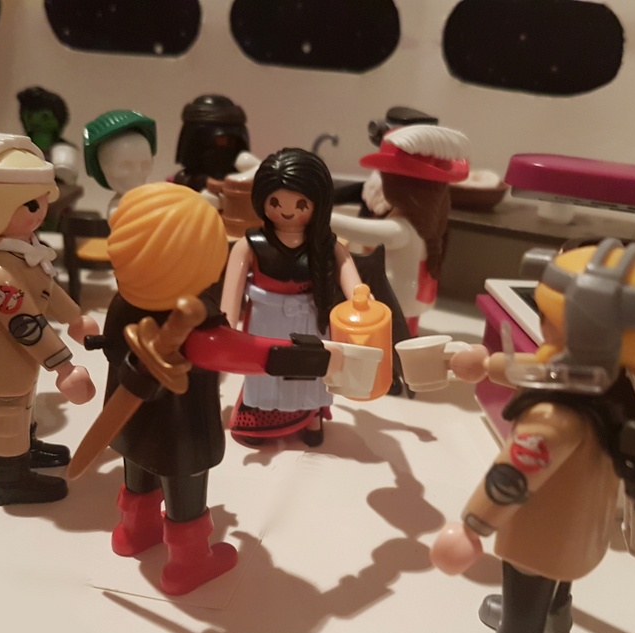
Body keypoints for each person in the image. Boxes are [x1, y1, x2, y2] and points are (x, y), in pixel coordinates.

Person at [430, 239, 635, 633]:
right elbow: (543, 368)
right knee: (554, 577)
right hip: (582, 525)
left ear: (587, 327)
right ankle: (551, 623)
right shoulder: (616, 384)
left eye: (550, 318)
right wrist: (486, 365)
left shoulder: (554, 417)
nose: (542, 323)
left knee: (527, 575)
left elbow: (512, 476)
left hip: (542, 528)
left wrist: (473, 527)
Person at [92, 181, 375, 594]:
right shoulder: (195, 325)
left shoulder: (122, 303)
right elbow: (252, 354)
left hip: (129, 421)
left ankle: (135, 531)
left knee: (137, 467)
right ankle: (188, 562)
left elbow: (113, 348)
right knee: (184, 488)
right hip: (180, 432)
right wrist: (319, 358)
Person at [0, 133, 96, 505]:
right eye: (30, 205)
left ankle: (26, 449)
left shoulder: (20, 251)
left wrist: (74, 317)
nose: (41, 213)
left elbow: (46, 289)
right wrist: (63, 366)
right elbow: (25, 323)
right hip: (4, 359)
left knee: (24, 404)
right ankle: (7, 479)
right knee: (10, 412)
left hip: (18, 360)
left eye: (43, 201)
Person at [221, 148, 361, 447]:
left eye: (300, 204)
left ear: (317, 204)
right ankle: (261, 412)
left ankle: (312, 416)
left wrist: (360, 300)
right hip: (264, 319)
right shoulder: (250, 244)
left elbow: (349, 273)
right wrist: (227, 325)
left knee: (309, 369)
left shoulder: (325, 245)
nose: (288, 212)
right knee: (265, 368)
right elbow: (231, 291)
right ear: (262, 200)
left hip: (311, 315)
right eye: (275, 202)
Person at [329, 124, 469, 337]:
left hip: (398, 295)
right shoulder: (426, 223)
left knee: (397, 335)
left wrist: (321, 217)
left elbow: (363, 231)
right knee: (406, 331)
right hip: (413, 293)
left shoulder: (402, 229)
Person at [83, 109, 157, 217]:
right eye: (125, 166)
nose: (137, 173)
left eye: (145, 165)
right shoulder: (118, 210)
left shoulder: (153, 198)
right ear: (102, 167)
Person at [172, 94, 250, 192]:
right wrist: (206, 182)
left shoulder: (239, 174)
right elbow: (183, 178)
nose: (223, 146)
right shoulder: (184, 179)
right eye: (216, 141)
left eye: (230, 141)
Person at [16, 86, 80, 185]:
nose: (35, 121)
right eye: (29, 116)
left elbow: (67, 177)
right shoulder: (19, 149)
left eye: (45, 117)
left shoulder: (64, 151)